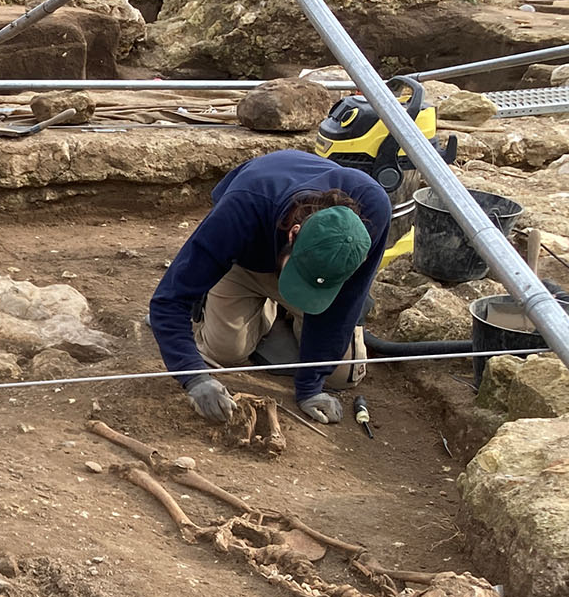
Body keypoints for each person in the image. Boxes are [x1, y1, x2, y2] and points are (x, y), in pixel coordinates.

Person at [148, 149, 391, 425]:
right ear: (294, 232)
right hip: (247, 261)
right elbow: (168, 300)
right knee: (224, 351)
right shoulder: (243, 208)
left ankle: (287, 316)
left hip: (323, 280)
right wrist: (193, 377)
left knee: (340, 375)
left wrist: (310, 388)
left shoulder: (373, 211)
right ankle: (254, 308)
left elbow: (347, 300)